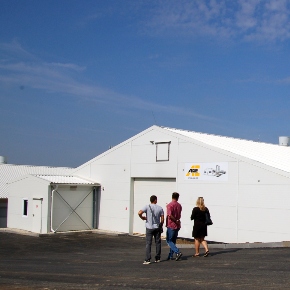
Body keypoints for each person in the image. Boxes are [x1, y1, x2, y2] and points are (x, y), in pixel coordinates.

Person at [138, 195, 164, 265]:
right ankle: (158, 258)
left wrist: (142, 218)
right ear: (155, 200)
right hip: (157, 227)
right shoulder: (160, 208)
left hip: (149, 227)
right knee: (158, 243)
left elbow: (139, 212)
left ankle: (147, 259)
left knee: (148, 243)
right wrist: (161, 225)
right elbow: (162, 219)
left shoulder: (147, 206)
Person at [166, 192, 182, 261]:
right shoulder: (179, 205)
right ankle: (170, 255)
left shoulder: (170, 205)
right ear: (177, 197)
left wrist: (174, 220)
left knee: (169, 240)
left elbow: (170, 215)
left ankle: (177, 252)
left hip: (171, 224)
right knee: (173, 240)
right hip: (177, 224)